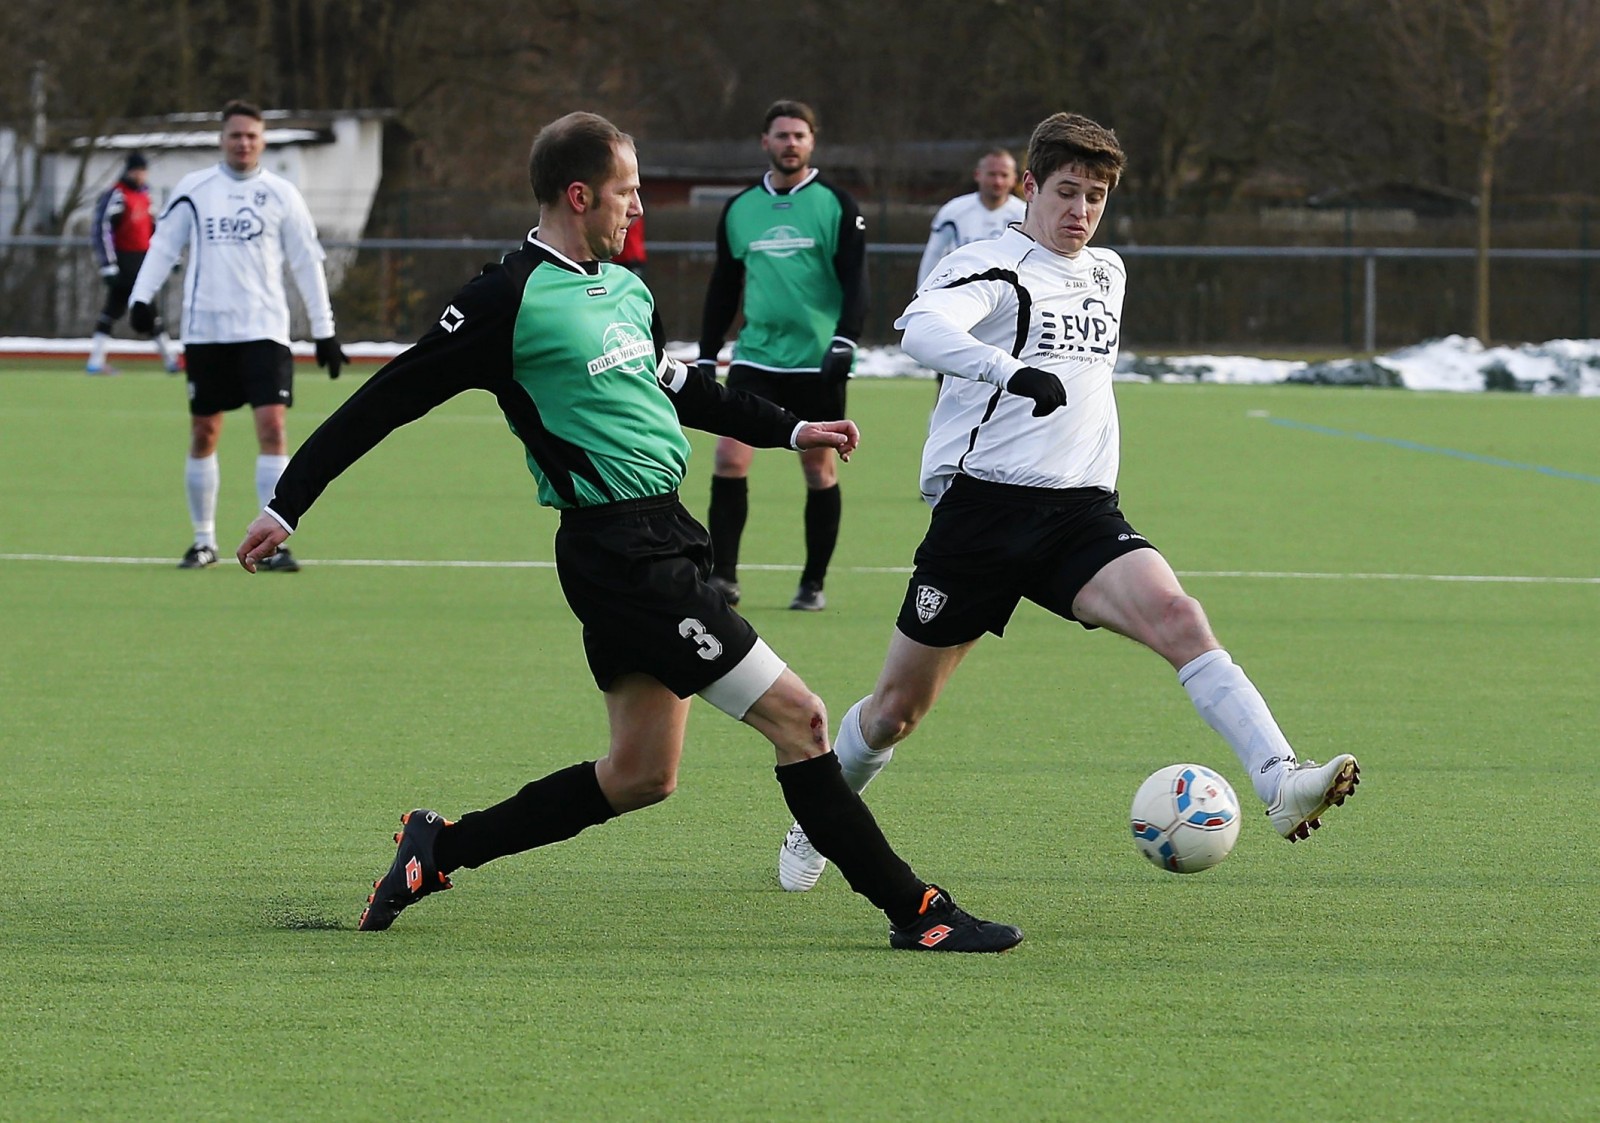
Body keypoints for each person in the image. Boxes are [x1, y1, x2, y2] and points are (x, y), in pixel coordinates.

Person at [234, 111, 1020, 953]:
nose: (638, 208)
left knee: (642, 774)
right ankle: (918, 910)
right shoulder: (505, 297)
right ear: (580, 194)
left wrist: (792, 428)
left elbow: (680, 385)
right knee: (804, 721)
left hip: (667, 535)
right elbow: (386, 399)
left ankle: (439, 847)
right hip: (619, 553)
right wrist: (288, 502)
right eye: (627, 192)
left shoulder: (625, 287)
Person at [775, 112, 1360, 894]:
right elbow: (919, 326)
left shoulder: (1109, 272)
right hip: (981, 515)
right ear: (1029, 187)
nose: (1080, 212)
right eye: (1067, 192)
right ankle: (818, 821)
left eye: (1095, 197)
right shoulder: (993, 264)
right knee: (891, 715)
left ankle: (1280, 779)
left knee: (1181, 618)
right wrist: (1006, 371)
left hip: (1081, 514)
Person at [128, 99, 347, 572]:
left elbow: (306, 263)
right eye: (235, 135)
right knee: (205, 432)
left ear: (262, 140)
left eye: (251, 135)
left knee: (272, 427)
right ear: (222, 139)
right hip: (206, 331)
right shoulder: (195, 190)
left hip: (265, 330)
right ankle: (203, 540)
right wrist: (140, 299)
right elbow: (164, 245)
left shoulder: (283, 194)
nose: (243, 143)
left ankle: (273, 542)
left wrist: (325, 330)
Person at [699, 99, 867, 612]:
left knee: (818, 470)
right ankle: (723, 578)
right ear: (765, 143)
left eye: (799, 135)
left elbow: (855, 282)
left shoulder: (838, 205)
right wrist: (709, 353)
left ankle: (812, 583)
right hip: (756, 357)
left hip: (817, 362)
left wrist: (846, 338)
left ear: (812, 142)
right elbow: (724, 287)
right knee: (729, 456)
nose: (790, 143)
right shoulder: (740, 207)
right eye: (781, 135)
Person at [87, 151, 181, 375]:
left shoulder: (146, 197)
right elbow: (102, 230)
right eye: (136, 171)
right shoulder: (117, 196)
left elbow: (159, 230)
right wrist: (108, 264)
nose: (140, 175)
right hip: (125, 260)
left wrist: (171, 257)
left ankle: (96, 361)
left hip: (144, 259)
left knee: (115, 309)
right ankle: (170, 359)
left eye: (142, 171)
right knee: (145, 306)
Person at [915, 147, 1027, 287]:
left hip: (1007, 296)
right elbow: (934, 255)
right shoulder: (953, 211)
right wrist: (921, 294)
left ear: (1014, 179)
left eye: (1004, 175)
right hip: (960, 292)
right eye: (992, 174)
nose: (998, 181)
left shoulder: (1026, 215)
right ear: (977, 175)